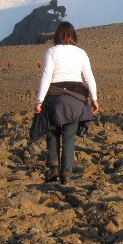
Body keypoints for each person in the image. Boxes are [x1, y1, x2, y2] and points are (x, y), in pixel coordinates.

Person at [35, 21, 100, 184]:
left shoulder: (51, 51)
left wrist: (39, 100)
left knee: (52, 132)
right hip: (76, 100)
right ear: (73, 36)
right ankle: (66, 173)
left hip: (55, 99)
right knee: (69, 136)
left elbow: (46, 76)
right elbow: (89, 77)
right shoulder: (81, 53)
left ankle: (54, 168)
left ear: (58, 35)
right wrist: (94, 98)